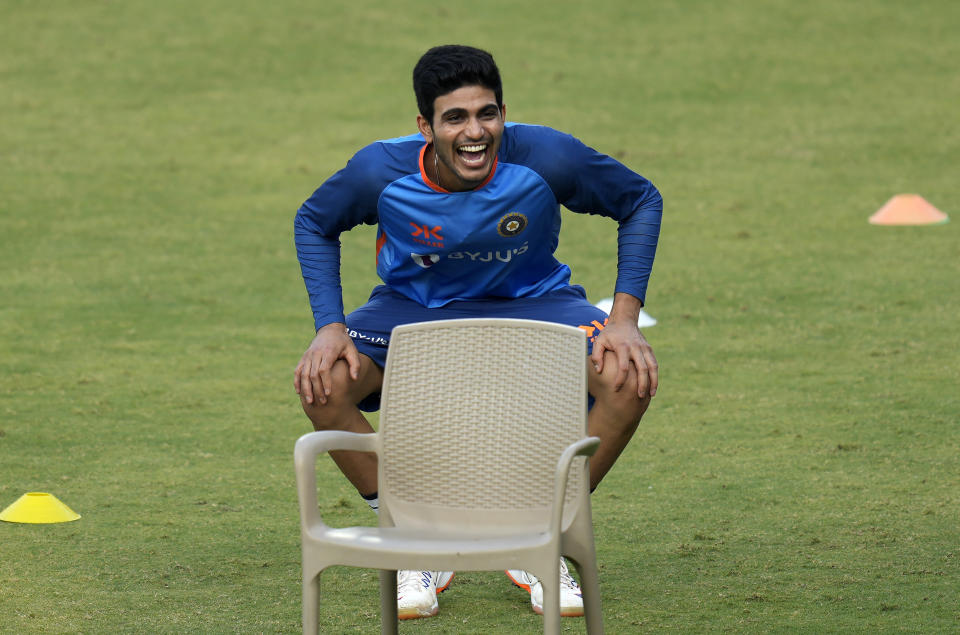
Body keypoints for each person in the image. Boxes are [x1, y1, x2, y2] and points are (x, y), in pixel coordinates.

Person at [293, 44, 662, 620]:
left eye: (487, 114)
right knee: (324, 383)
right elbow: (315, 221)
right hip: (411, 311)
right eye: (455, 118)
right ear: (425, 126)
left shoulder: (546, 157)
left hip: (535, 305)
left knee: (628, 376)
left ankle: (541, 533)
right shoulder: (379, 171)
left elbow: (640, 198)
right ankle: (411, 536)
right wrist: (329, 327)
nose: (475, 132)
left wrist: (624, 319)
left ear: (503, 113)